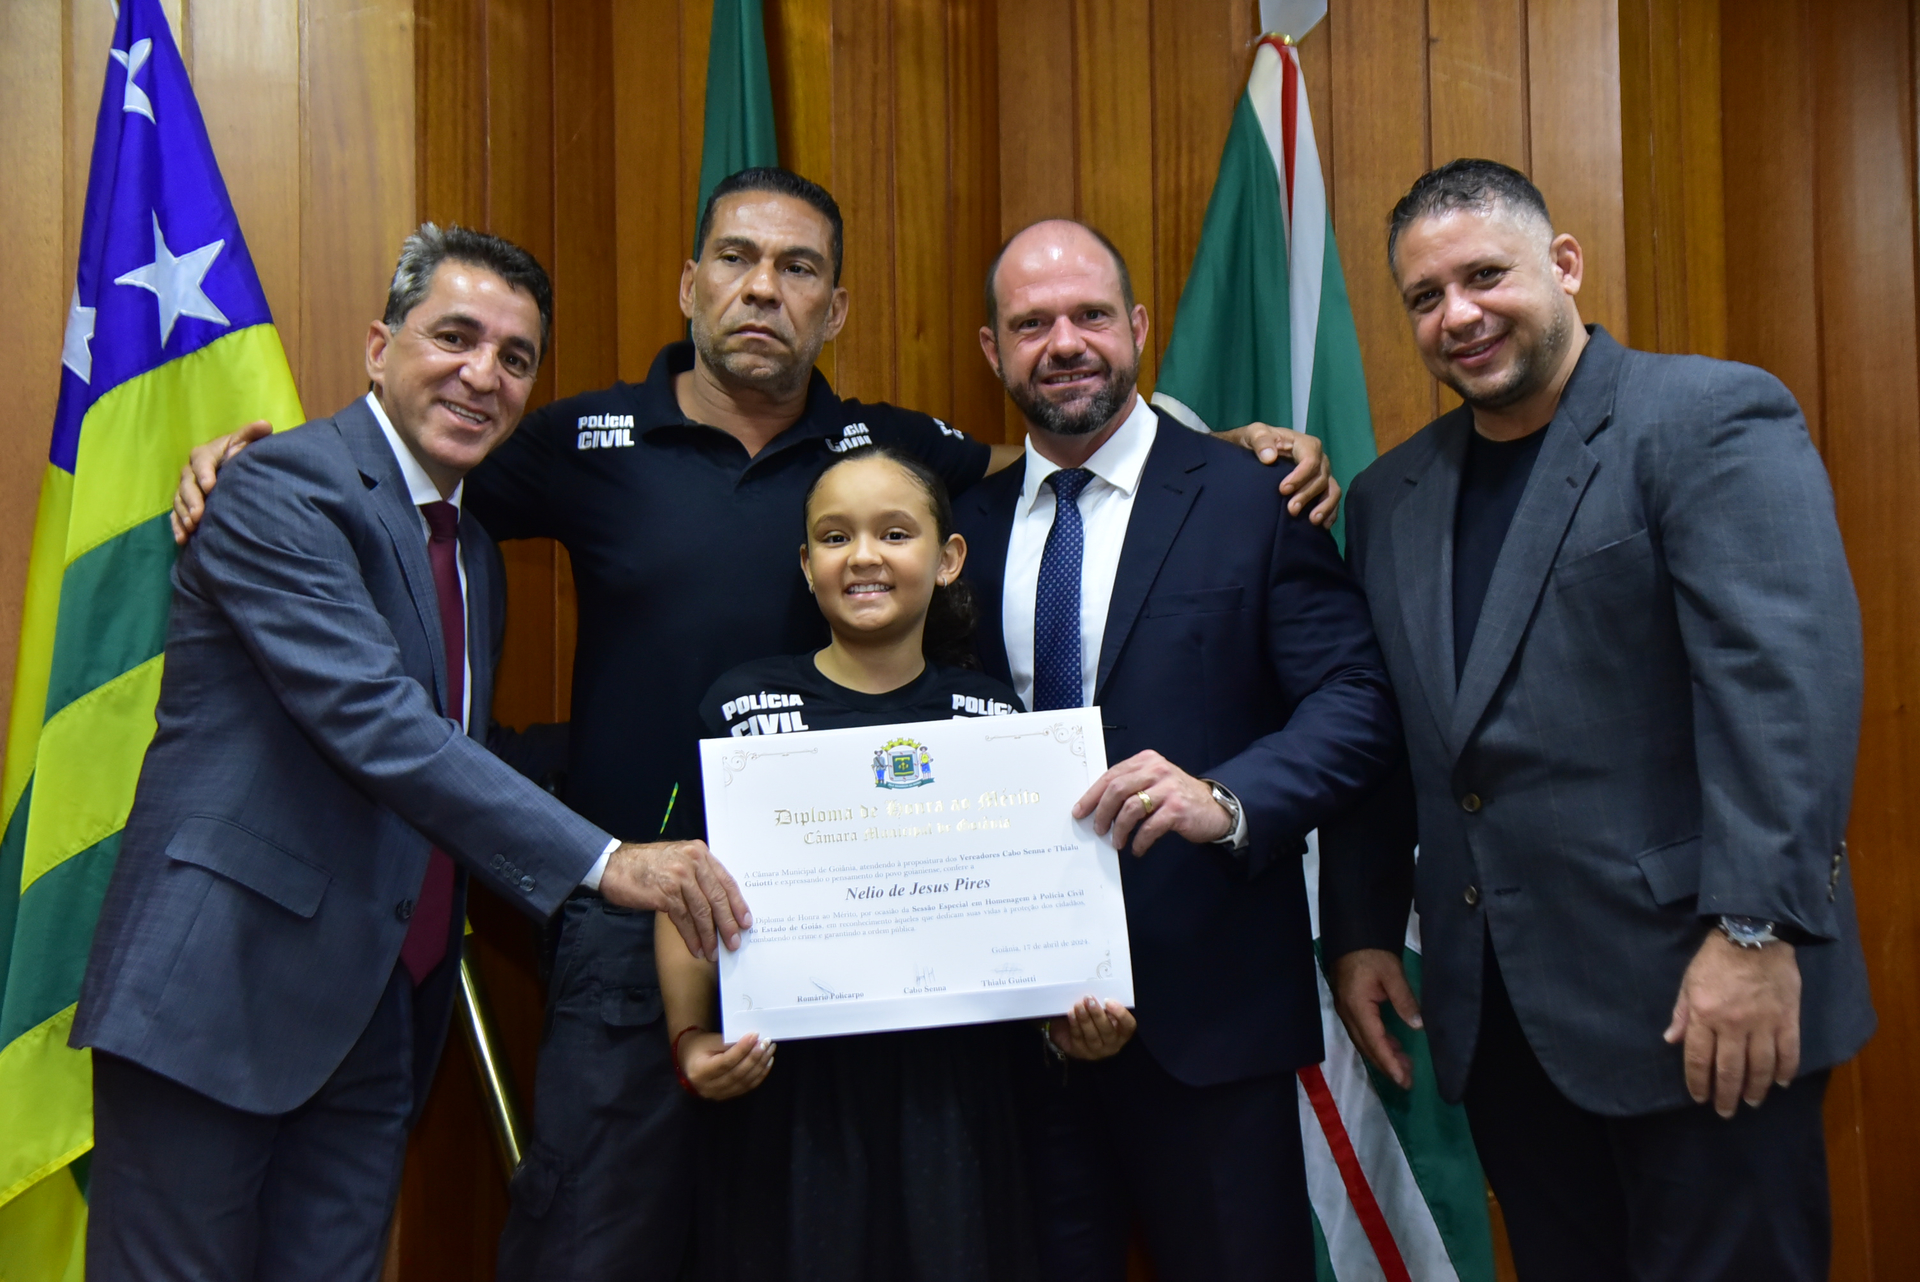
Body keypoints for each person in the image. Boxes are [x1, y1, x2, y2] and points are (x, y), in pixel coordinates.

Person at [169, 168, 1342, 1279]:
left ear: (837, 307)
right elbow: (415, 456)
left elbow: (1053, 455)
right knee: (596, 1244)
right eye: (735, 259)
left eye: (798, 268)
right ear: (691, 284)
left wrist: (1226, 448)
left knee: (821, 1239)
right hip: (632, 921)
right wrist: (264, 460)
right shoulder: (579, 439)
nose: (763, 288)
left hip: (861, 951)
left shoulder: (889, 450)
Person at [71, 226, 748, 1282]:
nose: (483, 375)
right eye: (455, 337)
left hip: (380, 1012)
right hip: (219, 997)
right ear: (380, 349)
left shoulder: (471, 551)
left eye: (515, 357)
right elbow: (382, 724)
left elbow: (462, 751)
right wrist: (611, 861)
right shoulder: (280, 490)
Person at [1319, 159, 1875, 1281]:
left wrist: (1754, 934)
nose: (1458, 315)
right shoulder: (1388, 499)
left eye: (1485, 276)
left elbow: (1784, 693)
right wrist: (1363, 924)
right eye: (1426, 297)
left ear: (1564, 265)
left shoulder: (1707, 417)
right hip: (1507, 1026)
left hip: (1704, 998)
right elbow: (1396, 734)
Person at [951, 218, 1401, 1281]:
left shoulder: (1256, 496)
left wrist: (1228, 798)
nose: (1066, 343)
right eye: (1032, 323)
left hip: (1210, 1019)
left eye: (1091, 315)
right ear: (992, 349)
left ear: (1140, 327)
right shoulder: (955, 528)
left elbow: (1357, 700)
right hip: (1010, 1029)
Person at [663, 445, 1110, 1281]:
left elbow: (1032, 901)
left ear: (948, 559)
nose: (863, 556)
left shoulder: (995, 719)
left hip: (958, 1094)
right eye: (835, 537)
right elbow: (683, 890)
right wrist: (690, 1039)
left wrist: (1069, 1012)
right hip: (789, 1091)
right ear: (807, 565)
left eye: (895, 533)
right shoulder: (740, 708)